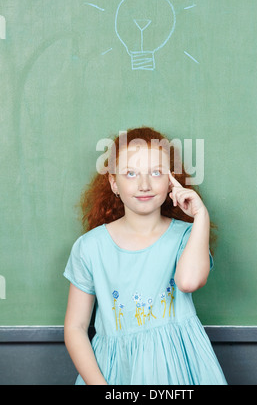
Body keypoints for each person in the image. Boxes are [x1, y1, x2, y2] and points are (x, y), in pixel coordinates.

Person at [63, 126, 227, 385]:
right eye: (131, 174)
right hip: (115, 372)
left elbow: (189, 281)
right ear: (114, 183)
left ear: (171, 180)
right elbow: (75, 328)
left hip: (179, 369)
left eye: (156, 172)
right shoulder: (90, 247)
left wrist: (201, 216)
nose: (144, 185)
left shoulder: (188, 236)